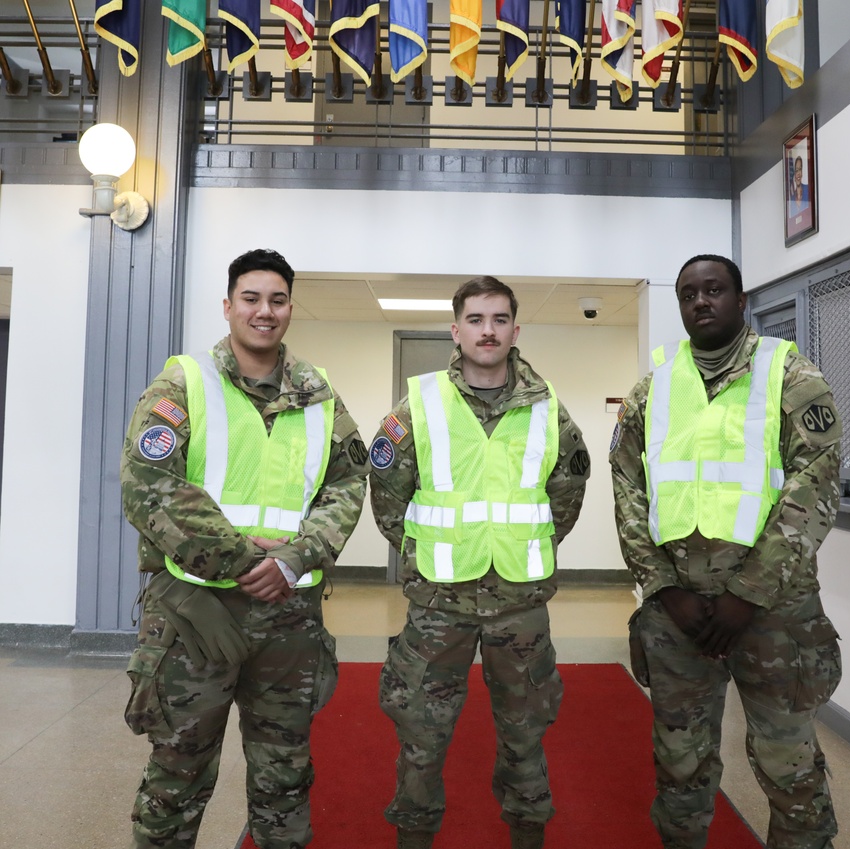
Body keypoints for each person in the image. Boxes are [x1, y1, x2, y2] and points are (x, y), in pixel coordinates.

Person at [121, 248, 370, 849]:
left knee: (284, 775)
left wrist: (297, 557)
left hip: (288, 615)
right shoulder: (184, 381)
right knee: (178, 771)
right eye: (252, 299)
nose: (265, 311)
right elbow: (148, 486)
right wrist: (244, 559)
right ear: (229, 306)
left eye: (278, 300)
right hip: (197, 610)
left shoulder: (319, 394)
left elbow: (348, 480)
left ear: (289, 309)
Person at [610, 255, 843, 849]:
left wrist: (749, 593)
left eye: (714, 290)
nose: (700, 302)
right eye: (688, 294)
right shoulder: (653, 387)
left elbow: (814, 481)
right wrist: (662, 587)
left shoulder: (789, 374)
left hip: (773, 612)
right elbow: (629, 489)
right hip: (678, 613)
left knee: (788, 762)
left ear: (741, 300)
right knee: (680, 762)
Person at [369, 276, 590, 849]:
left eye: (498, 319)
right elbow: (388, 497)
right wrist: (423, 557)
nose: (487, 330)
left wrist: (520, 547)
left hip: (520, 603)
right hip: (439, 603)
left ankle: (527, 834)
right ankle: (414, 837)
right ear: (456, 329)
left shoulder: (549, 410)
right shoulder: (417, 406)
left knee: (526, 733)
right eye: (475, 319)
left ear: (515, 329)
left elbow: (566, 496)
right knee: (422, 733)